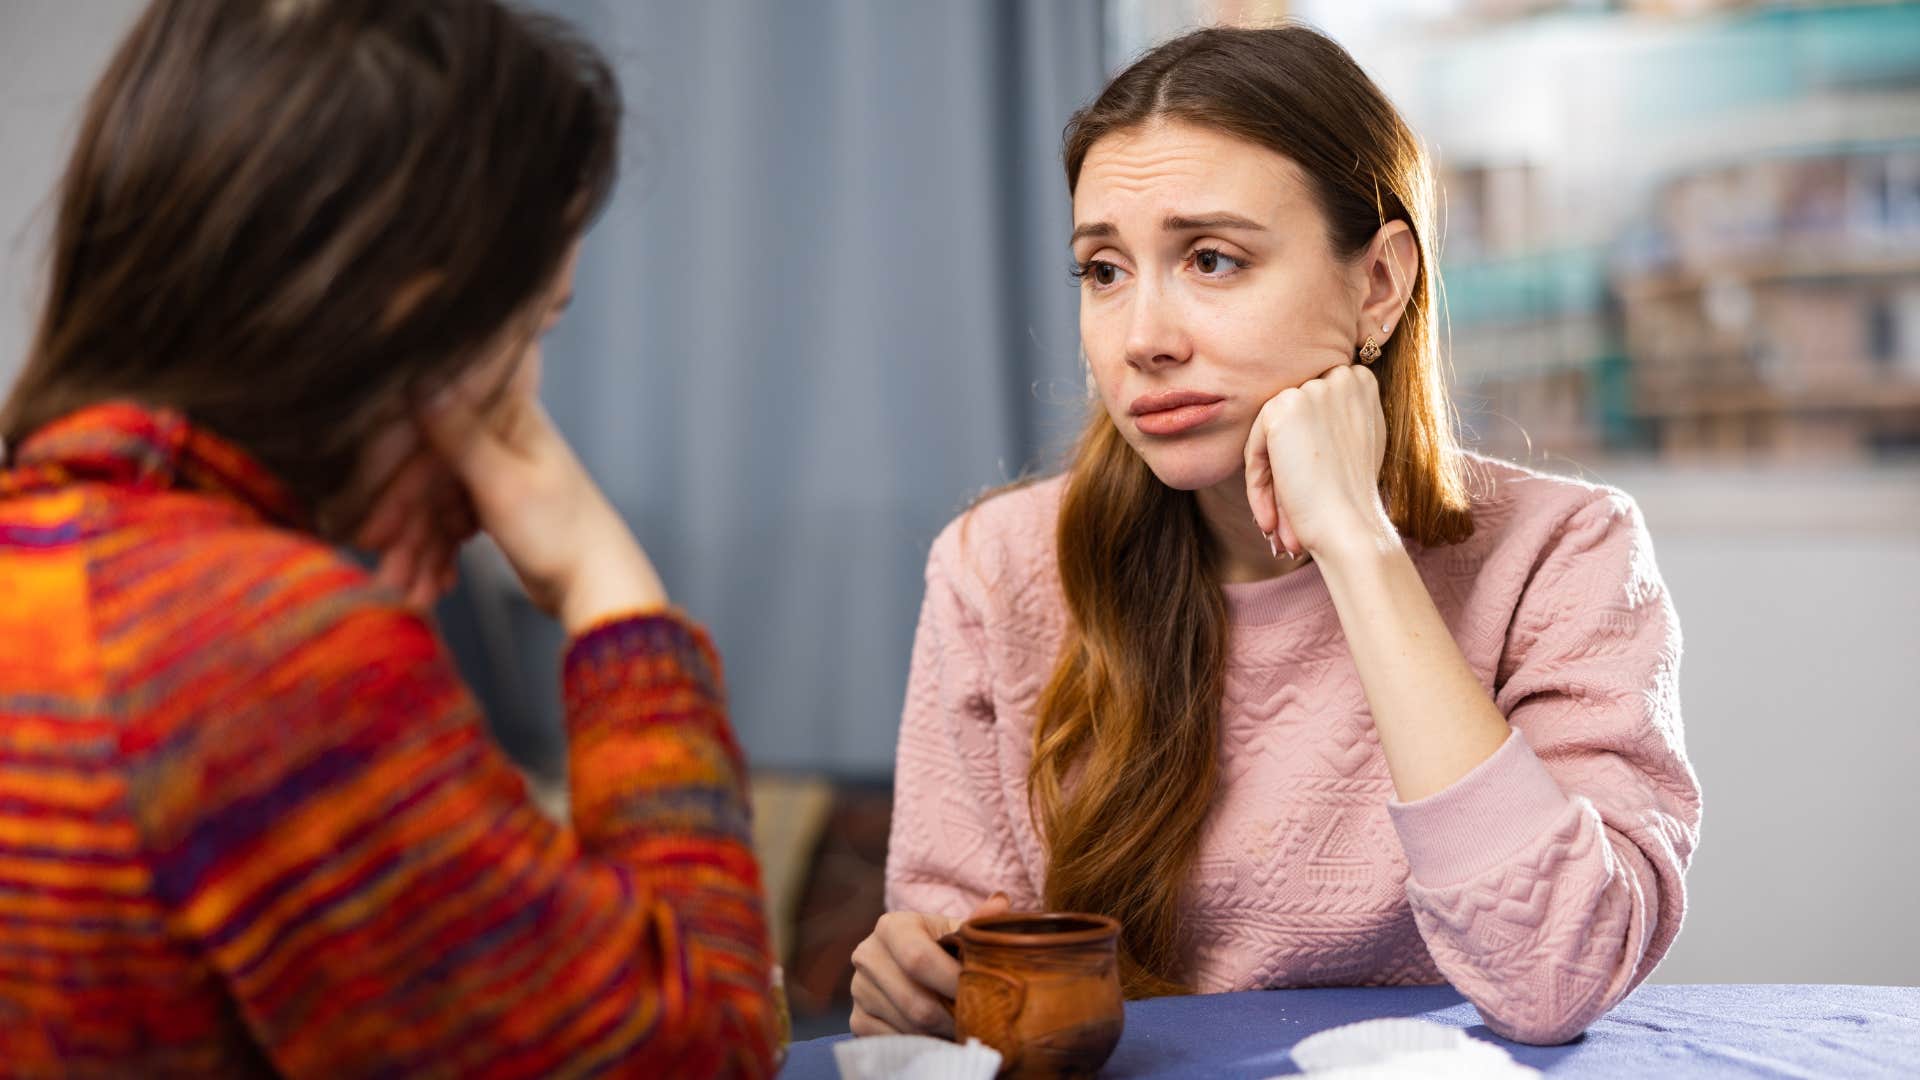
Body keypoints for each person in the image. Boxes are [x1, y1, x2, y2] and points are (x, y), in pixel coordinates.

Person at [855, 24, 1700, 1046]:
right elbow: (976, 1002)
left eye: (1212, 259)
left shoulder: (1565, 554)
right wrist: (924, 987)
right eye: (1104, 271)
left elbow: (1555, 971)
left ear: (1379, 285)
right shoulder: (996, 569)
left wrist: (1358, 544)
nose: (1144, 340)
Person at [0, 1, 774, 1074]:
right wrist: (611, 589)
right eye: (535, 325)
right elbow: (699, 1051)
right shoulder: (262, 660)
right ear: (418, 314)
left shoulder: (47, 570)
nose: (533, 386)